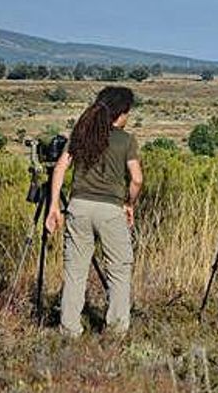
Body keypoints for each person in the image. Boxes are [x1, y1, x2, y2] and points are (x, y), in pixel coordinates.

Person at [46, 86, 143, 337]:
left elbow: (59, 168)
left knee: (75, 271)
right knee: (119, 269)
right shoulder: (126, 140)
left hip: (78, 207)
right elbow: (137, 179)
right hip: (111, 210)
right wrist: (129, 204)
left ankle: (69, 329)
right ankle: (116, 329)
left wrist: (54, 206)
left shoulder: (81, 134)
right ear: (121, 112)